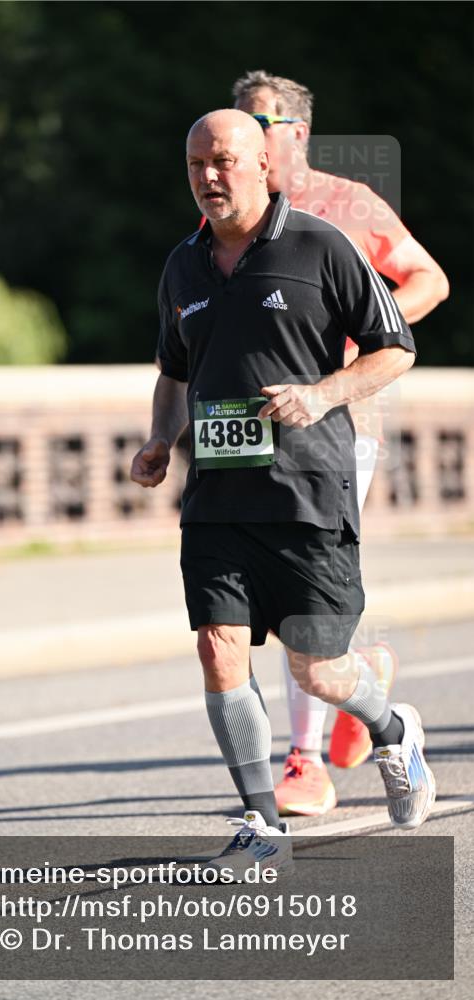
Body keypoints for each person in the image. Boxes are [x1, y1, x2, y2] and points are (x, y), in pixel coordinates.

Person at [130, 109, 435, 872]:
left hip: (306, 492)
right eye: (196, 162)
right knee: (217, 648)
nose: (208, 177)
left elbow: (393, 347)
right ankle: (263, 825)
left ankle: (393, 732)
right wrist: (160, 439)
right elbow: (173, 370)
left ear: (265, 164)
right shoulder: (181, 266)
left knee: (315, 667)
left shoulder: (319, 246)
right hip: (217, 502)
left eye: (224, 161)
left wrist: (322, 394)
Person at [230, 70, 449, 817]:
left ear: (295, 132)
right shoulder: (231, 212)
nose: (239, 140)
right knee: (273, 605)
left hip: (339, 426)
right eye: (234, 124)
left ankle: (304, 761)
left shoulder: (345, 204)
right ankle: (362, 681)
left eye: (256, 124)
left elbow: (427, 279)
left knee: (301, 598)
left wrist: (355, 345)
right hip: (256, 438)